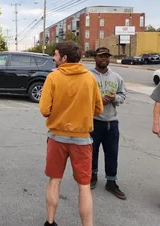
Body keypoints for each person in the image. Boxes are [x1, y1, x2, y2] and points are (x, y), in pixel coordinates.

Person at [39, 40, 103, 226]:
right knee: (84, 186)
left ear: (64, 58)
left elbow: (44, 109)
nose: (54, 57)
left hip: (57, 138)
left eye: (56, 55)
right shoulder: (90, 78)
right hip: (82, 140)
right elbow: (98, 109)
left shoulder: (53, 77)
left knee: (54, 180)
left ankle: (50, 222)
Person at [90, 47, 127, 200]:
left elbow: (122, 95)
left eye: (107, 56)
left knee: (112, 153)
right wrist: (97, 100)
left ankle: (111, 181)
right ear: (95, 58)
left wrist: (114, 99)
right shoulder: (88, 77)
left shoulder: (116, 77)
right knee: (91, 152)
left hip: (111, 122)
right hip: (93, 121)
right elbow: (83, 96)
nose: (104, 59)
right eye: (101, 56)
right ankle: (92, 176)